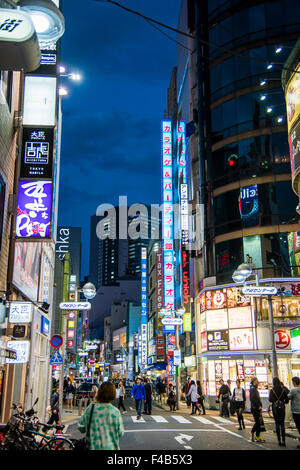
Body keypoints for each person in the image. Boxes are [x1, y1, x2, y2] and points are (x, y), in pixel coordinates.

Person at [78, 381, 124, 450]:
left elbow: (81, 427)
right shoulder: (115, 412)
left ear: (99, 392)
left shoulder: (91, 408)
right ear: (113, 394)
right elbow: (120, 433)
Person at [269, 377, 289, 447]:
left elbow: (270, 399)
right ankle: (283, 440)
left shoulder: (272, 390)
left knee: (277, 424)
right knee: (282, 424)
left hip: (275, 409)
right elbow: (287, 400)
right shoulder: (283, 390)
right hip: (282, 408)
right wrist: (282, 401)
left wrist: (275, 401)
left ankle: (279, 440)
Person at [250, 377, 265, 443]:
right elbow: (253, 399)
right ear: (254, 382)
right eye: (257, 381)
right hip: (255, 408)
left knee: (259, 422)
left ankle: (257, 436)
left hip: (256, 408)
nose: (258, 382)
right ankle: (253, 432)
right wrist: (258, 405)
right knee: (258, 422)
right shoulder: (253, 389)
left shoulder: (254, 389)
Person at [288, 376, 300, 449]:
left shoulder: (293, 390)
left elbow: (288, 397)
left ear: (294, 383)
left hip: (296, 411)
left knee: (299, 426)